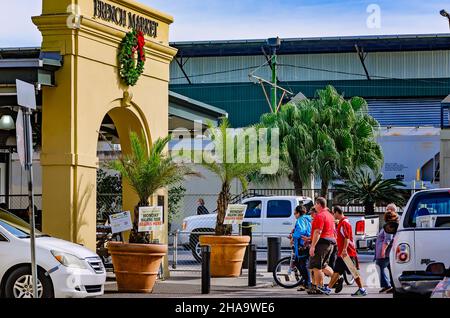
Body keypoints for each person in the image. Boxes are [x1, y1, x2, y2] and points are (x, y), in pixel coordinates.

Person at [328, 206, 367, 296]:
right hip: (343, 253)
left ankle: (362, 289)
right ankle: (328, 289)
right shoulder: (342, 222)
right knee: (337, 271)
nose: (333, 215)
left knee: (353, 272)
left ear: (337, 212)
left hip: (347, 253)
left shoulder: (344, 223)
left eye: (334, 213)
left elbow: (347, 237)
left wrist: (345, 249)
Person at [308, 197, 336, 295]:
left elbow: (318, 232)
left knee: (316, 267)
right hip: (329, 243)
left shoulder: (320, 216)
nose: (314, 206)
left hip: (321, 243)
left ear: (319, 204)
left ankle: (319, 287)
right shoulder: (330, 215)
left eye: (315, 204)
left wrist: (312, 246)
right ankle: (337, 278)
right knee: (323, 265)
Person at [375, 204, 399, 293]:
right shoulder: (391, 224)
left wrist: (383, 251)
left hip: (385, 252)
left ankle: (387, 285)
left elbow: (387, 239)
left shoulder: (390, 225)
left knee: (380, 266)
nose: (385, 211)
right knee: (389, 268)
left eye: (387, 209)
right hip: (388, 252)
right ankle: (391, 286)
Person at [289, 205, 312, 291]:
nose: (294, 215)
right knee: (301, 263)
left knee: (301, 264)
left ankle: (308, 283)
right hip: (307, 244)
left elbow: (301, 231)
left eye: (295, 213)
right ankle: (306, 283)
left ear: (298, 213)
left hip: (302, 245)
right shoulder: (307, 218)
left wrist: (293, 236)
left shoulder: (300, 220)